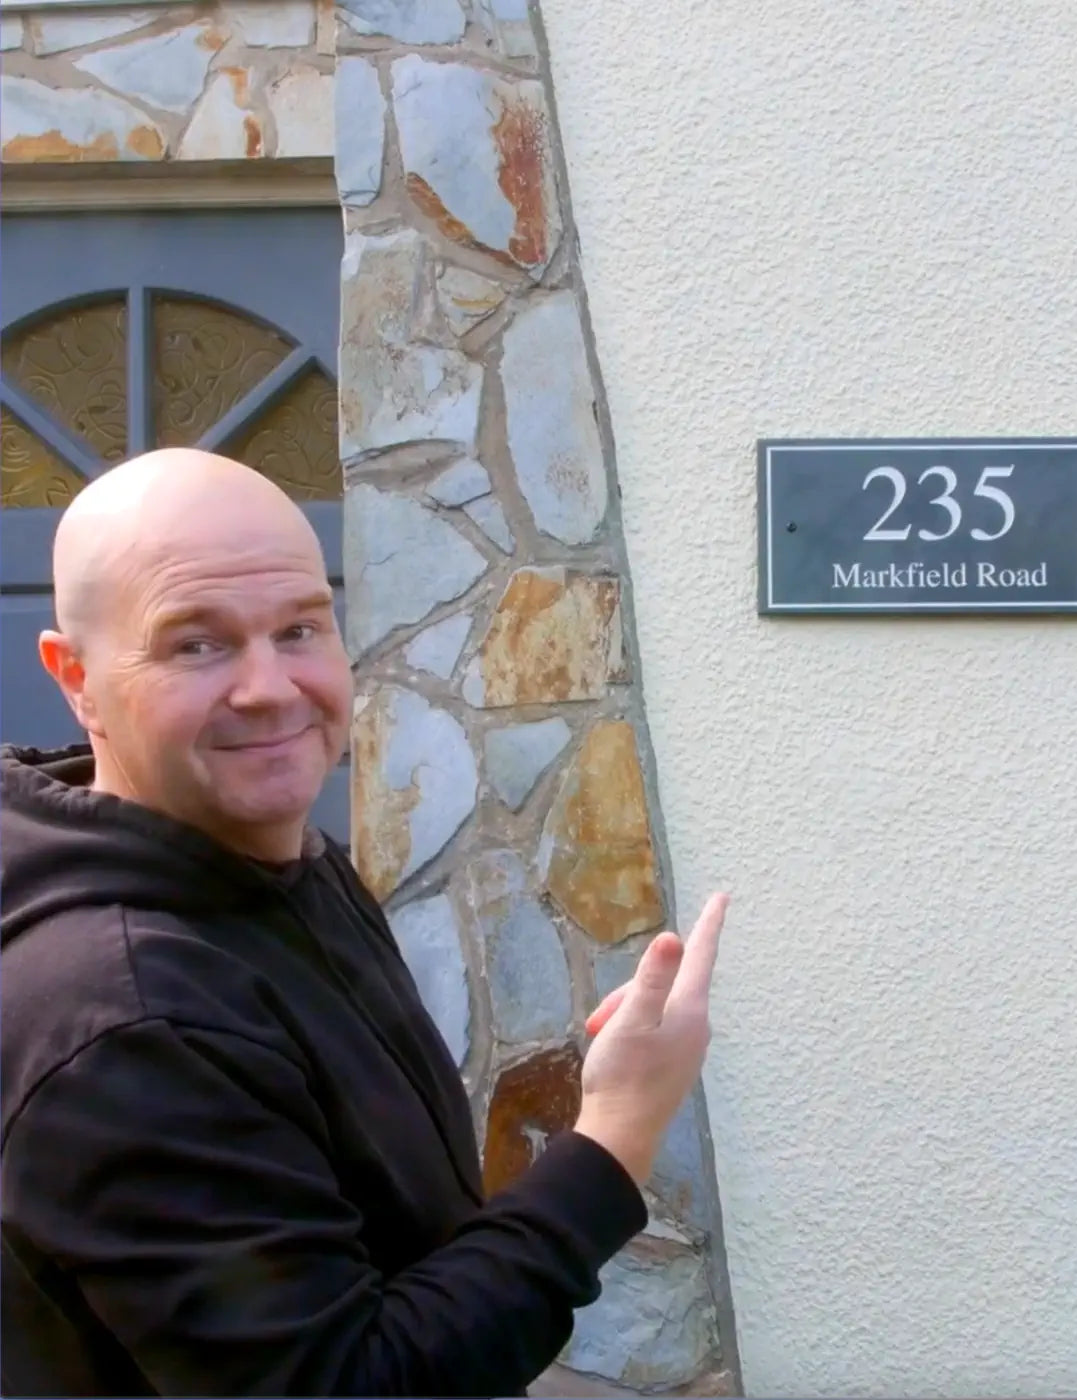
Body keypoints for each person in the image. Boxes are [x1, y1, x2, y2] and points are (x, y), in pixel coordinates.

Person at [0, 448, 728, 1398]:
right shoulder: (128, 1024)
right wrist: (617, 1135)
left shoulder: (276, 864)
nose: (269, 687)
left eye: (299, 627)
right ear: (76, 678)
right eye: (195, 642)